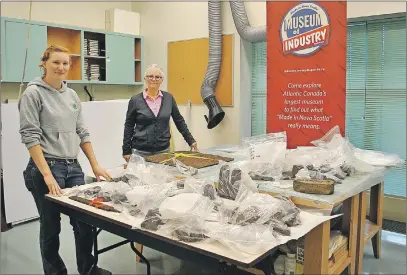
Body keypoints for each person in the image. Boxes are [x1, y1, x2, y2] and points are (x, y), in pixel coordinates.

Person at [19, 45, 112, 275]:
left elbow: (82, 132)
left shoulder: (71, 95)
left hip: (73, 167)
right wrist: (47, 175)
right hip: (46, 167)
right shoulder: (33, 94)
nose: (61, 67)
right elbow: (30, 137)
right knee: (51, 227)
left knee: (85, 222)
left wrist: (95, 164)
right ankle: (55, 272)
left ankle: (88, 268)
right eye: (56, 62)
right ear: (44, 64)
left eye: (65, 63)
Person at [122, 64, 197, 161]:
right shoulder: (135, 100)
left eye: (158, 77)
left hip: (163, 151)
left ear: (162, 80)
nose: (154, 79)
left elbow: (179, 121)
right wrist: (126, 150)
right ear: (145, 78)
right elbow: (129, 125)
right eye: (150, 76)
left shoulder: (169, 98)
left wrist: (191, 140)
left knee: (162, 176)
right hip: (140, 151)